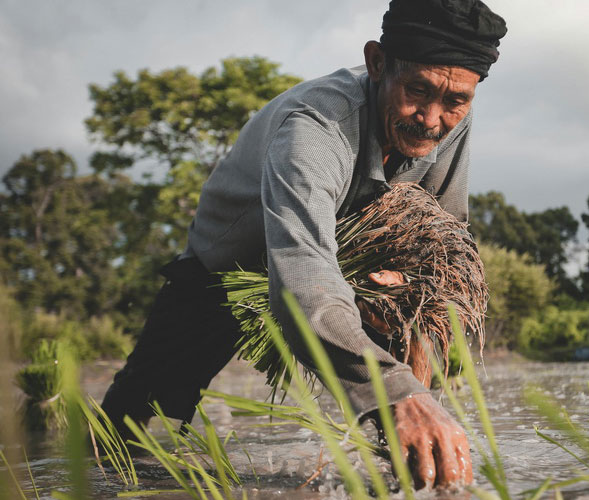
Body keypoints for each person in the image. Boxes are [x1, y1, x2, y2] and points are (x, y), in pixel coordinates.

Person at [100, 0, 506, 490]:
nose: (431, 119)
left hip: (350, 262)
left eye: (455, 100)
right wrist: (395, 392)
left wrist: (411, 284)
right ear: (377, 63)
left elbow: (445, 233)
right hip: (228, 270)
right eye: (417, 90)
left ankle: (411, 466)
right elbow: (304, 282)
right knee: (132, 419)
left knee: (414, 325)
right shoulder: (315, 128)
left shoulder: (450, 118)